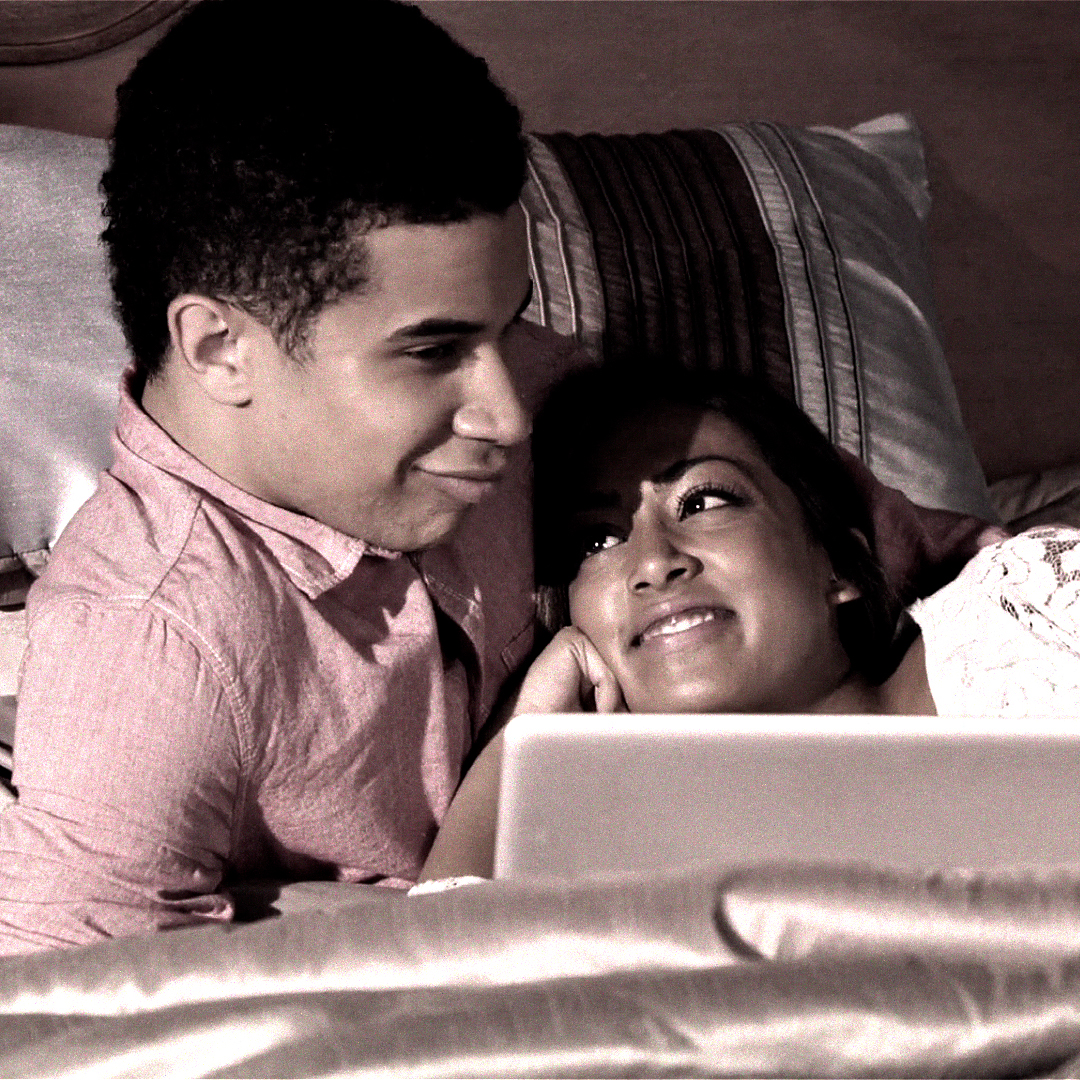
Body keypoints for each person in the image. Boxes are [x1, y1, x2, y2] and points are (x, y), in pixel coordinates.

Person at [0, 0, 584, 954]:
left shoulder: (551, 399)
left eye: (506, 326)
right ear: (219, 348)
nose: (508, 413)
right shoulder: (154, 644)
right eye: (432, 351)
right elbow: (63, 1012)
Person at [420, 366, 1072, 880]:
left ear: (838, 563)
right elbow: (436, 966)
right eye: (596, 541)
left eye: (703, 501)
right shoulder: (605, 861)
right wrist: (522, 736)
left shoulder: (1026, 607)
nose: (653, 562)